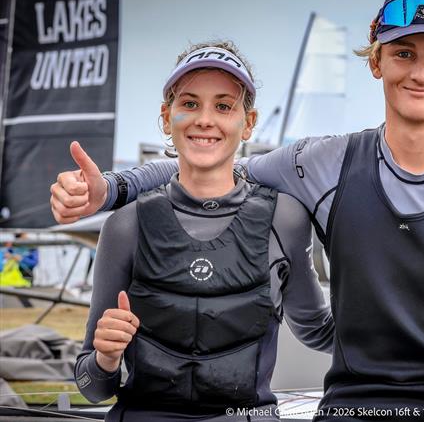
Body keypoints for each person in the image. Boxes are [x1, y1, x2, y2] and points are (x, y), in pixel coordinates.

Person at [50, 0, 424, 422]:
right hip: (349, 409)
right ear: (376, 61)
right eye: (403, 53)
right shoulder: (325, 163)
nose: (420, 72)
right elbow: (212, 167)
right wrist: (110, 190)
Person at [71, 41, 334, 422]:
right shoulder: (126, 225)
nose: (205, 120)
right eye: (190, 104)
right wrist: (105, 358)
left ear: (249, 121)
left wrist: (406, 321)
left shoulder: (285, 218)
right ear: (167, 117)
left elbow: (319, 332)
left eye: (223, 106)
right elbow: (91, 388)